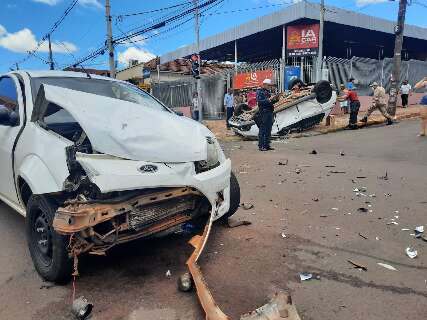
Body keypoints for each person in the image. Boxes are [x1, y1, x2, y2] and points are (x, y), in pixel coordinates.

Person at [255, 79, 279, 151]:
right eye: (268, 85)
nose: (269, 87)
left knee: (269, 129)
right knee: (263, 130)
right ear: (264, 84)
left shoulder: (268, 92)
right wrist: (269, 100)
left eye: (270, 85)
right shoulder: (260, 92)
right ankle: (261, 146)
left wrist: (276, 99)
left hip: (269, 112)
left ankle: (267, 145)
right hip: (264, 113)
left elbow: (271, 102)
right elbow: (260, 102)